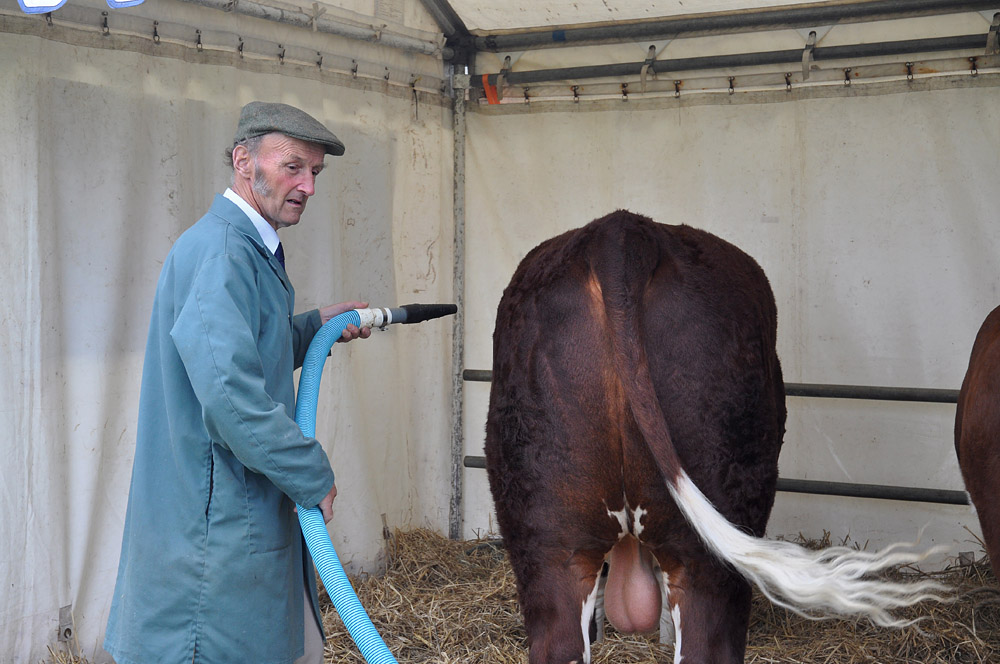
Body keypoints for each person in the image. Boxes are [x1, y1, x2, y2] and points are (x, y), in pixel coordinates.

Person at [104, 101, 369, 664]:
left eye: (315, 173)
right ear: (244, 160)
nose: (308, 186)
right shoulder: (224, 253)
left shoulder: (247, 248)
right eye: (294, 166)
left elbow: (243, 352)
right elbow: (231, 399)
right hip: (211, 544)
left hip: (227, 526)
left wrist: (311, 329)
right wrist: (310, 472)